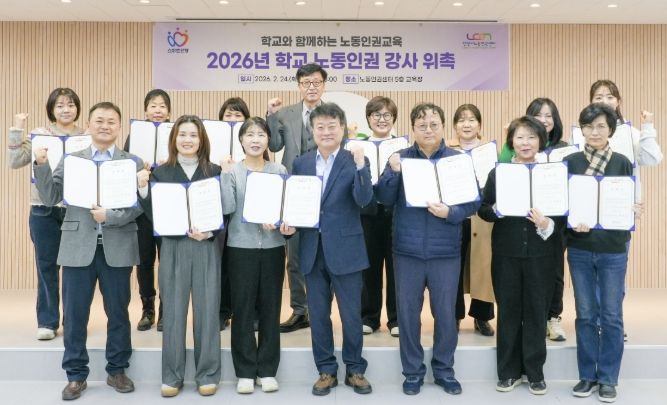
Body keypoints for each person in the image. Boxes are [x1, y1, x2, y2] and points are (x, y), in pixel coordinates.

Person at [33, 102, 143, 400]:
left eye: (111, 121)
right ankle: (75, 375)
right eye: (99, 120)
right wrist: (41, 165)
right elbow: (51, 197)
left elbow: (139, 206)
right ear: (90, 125)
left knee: (118, 312)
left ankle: (117, 370)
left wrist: (111, 216)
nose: (105, 126)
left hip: (117, 246)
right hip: (77, 245)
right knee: (74, 314)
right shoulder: (72, 160)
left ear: (119, 126)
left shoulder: (132, 162)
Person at [376, 103, 479, 396]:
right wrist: (393, 171)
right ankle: (412, 372)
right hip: (407, 251)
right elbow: (383, 198)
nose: (428, 130)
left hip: (445, 252)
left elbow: (474, 202)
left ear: (443, 127)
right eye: (422, 126)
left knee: (445, 314)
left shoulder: (457, 160)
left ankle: (444, 370)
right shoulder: (401, 158)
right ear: (413, 129)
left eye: (434, 125)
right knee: (408, 315)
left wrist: (451, 212)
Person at [281, 102, 373, 396]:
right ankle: (326, 370)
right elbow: (296, 204)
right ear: (312, 131)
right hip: (312, 249)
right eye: (320, 127)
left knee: (351, 315)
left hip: (347, 250)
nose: (326, 132)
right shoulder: (302, 163)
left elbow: (364, 200)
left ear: (343, 129)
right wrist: (290, 224)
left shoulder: (354, 160)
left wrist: (362, 166)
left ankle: (355, 369)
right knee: (319, 316)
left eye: (332, 126)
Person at [137, 115, 222, 397]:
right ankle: (172, 375)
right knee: (172, 312)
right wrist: (143, 189)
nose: (187, 140)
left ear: (202, 140)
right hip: (173, 247)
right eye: (182, 134)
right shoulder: (161, 173)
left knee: (207, 311)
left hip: (206, 246)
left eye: (193, 135)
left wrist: (209, 233)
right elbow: (153, 214)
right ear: (174, 139)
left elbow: (225, 211)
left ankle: (207, 373)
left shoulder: (215, 171)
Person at [479, 116, 564, 396]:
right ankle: (508, 372)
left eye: (531, 137)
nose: (525, 143)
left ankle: (535, 373)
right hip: (506, 253)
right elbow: (483, 209)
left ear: (541, 141)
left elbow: (563, 217)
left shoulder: (552, 174)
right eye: (519, 137)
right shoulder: (498, 173)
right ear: (511, 142)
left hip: (542, 254)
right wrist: (498, 209)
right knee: (509, 312)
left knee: (537, 312)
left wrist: (546, 223)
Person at [564, 103, 634, 403]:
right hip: (580, 248)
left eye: (601, 126)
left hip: (613, 250)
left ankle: (607, 378)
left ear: (611, 130)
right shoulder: (570, 162)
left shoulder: (622, 163)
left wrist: (633, 208)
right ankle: (587, 376)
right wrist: (571, 219)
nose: (594, 132)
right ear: (582, 129)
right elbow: (561, 205)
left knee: (612, 316)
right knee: (585, 315)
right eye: (589, 126)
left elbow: (628, 201)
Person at [7, 87, 84, 341]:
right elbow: (14, 161)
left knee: (74, 269)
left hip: (75, 210)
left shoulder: (85, 136)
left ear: (77, 108)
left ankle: (72, 321)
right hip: (42, 210)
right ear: (51, 109)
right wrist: (18, 128)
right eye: (60, 105)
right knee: (46, 267)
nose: (66, 109)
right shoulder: (40, 135)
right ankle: (48, 321)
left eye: (70, 104)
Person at [221, 117, 287, 394]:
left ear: (268, 139)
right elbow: (227, 208)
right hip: (240, 248)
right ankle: (246, 371)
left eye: (261, 134)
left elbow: (286, 207)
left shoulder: (279, 170)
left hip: (273, 247)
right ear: (241, 140)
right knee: (243, 309)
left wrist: (282, 221)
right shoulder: (233, 171)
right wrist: (224, 176)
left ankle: (268, 369)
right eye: (250, 135)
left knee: (271, 308)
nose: (256, 139)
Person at [499, 98, 569, 341]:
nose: (544, 120)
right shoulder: (508, 160)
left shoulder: (564, 151)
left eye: (549, 115)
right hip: (514, 236)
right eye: (538, 115)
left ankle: (552, 317)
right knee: (516, 294)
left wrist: (548, 223)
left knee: (552, 277)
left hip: (547, 230)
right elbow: (492, 199)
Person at [268, 63, 329, 333]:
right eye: (306, 83)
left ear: (323, 85)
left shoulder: (332, 113)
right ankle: (299, 310)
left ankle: (320, 310)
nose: (311, 87)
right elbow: (274, 145)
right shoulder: (285, 114)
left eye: (316, 82)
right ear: (299, 86)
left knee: (322, 255)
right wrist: (271, 116)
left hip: (324, 194)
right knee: (293, 255)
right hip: (292, 191)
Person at [123, 88, 171, 332]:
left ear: (169, 112)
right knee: (144, 261)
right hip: (142, 208)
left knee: (167, 262)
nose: (157, 110)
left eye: (162, 106)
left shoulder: (176, 134)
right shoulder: (135, 135)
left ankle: (165, 311)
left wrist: (168, 165)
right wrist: (139, 168)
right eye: (153, 105)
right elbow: (123, 168)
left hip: (167, 208)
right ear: (145, 110)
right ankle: (147, 308)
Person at [447, 103, 495, 337]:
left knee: (484, 267)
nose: (466, 124)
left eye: (471, 120)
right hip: (454, 216)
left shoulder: (490, 151)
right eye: (461, 120)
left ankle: (482, 317)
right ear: (455, 126)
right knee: (452, 267)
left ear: (479, 125)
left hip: (482, 217)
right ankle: (454, 316)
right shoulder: (446, 150)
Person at [359, 96, 399, 337]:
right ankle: (369, 317)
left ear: (393, 118)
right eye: (376, 115)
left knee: (396, 267)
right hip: (367, 212)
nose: (381, 119)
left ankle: (396, 319)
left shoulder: (404, 146)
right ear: (368, 119)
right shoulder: (356, 146)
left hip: (395, 213)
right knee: (369, 266)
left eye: (387, 115)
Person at [217, 96, 251, 331]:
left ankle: (245, 312)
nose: (232, 119)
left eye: (238, 115)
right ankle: (222, 310)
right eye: (228, 115)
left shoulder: (254, 143)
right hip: (219, 211)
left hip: (244, 214)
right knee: (221, 263)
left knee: (243, 265)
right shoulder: (211, 143)